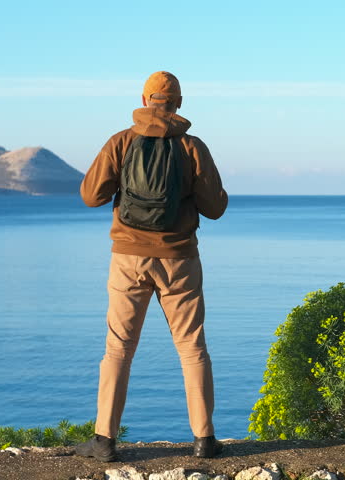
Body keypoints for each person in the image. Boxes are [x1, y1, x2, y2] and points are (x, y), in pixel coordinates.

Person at [76, 71, 228, 462]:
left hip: (128, 258)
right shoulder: (193, 146)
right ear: (178, 103)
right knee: (192, 347)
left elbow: (91, 196)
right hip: (180, 260)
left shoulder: (121, 142)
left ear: (144, 100)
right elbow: (215, 209)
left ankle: (104, 440)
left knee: (118, 348)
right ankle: (204, 440)